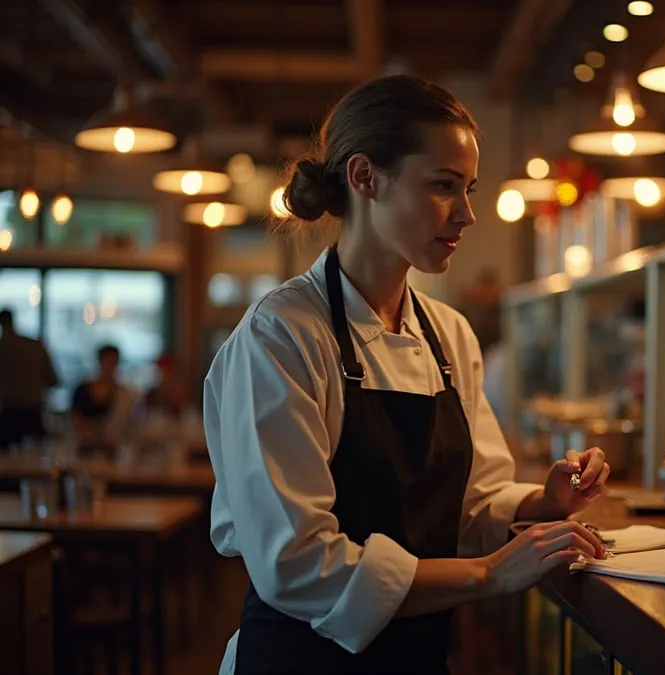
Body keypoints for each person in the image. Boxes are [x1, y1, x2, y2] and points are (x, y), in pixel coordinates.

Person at [203, 75, 611, 675]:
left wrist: (545, 501)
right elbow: (296, 564)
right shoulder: (281, 335)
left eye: (468, 189)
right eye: (444, 186)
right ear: (365, 177)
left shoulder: (449, 334)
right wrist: (490, 574)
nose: (468, 214)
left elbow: (471, 506)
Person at [0, 308, 59, 449]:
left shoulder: (2, 348)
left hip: (9, 412)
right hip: (34, 411)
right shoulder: (34, 346)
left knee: (7, 461)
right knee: (37, 457)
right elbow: (53, 380)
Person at [70, 344, 135, 452]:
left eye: (114, 362)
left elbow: (127, 426)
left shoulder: (123, 395)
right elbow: (75, 420)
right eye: (108, 361)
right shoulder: (82, 390)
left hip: (112, 450)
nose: (111, 366)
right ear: (99, 361)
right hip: (84, 447)